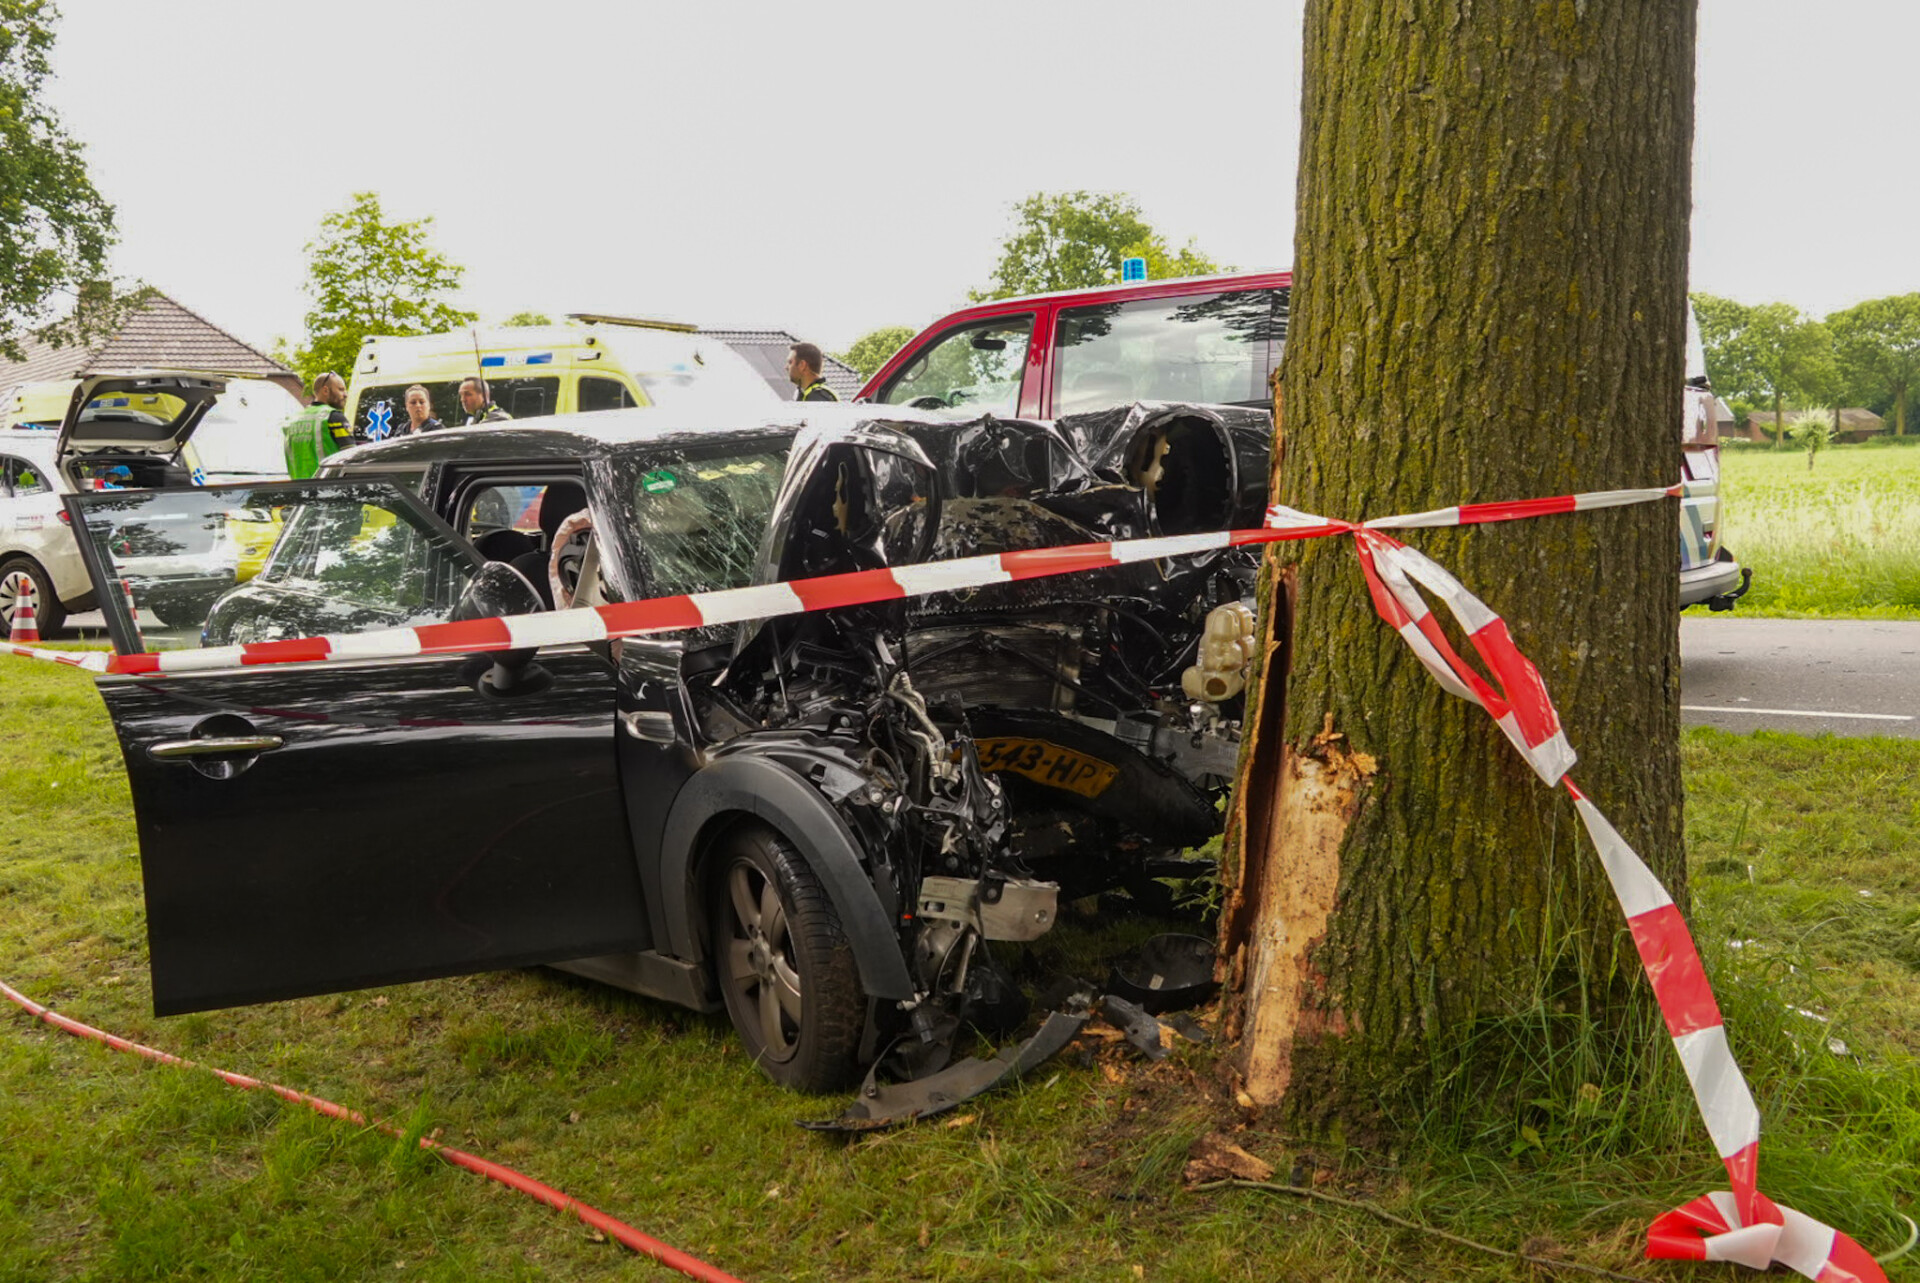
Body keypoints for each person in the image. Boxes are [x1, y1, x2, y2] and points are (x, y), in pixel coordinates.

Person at [281, 372, 357, 480]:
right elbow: (352, 458)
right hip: (328, 489)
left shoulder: (292, 421)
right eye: (340, 389)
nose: (345, 394)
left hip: (298, 490)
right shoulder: (333, 417)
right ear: (325, 390)